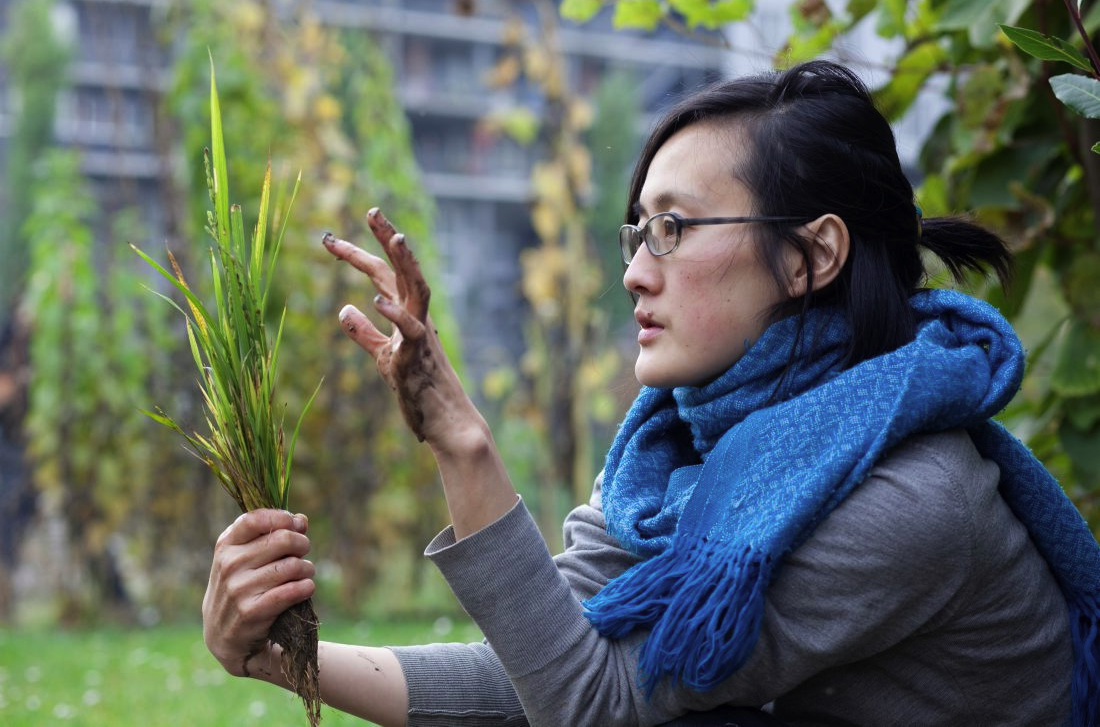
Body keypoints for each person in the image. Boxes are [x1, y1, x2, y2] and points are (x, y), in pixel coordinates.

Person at [201, 61, 1100, 726]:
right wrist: (287, 658)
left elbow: (585, 706)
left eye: (672, 228)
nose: (634, 272)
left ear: (811, 256)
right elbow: (540, 668)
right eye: (636, 231)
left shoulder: (911, 498)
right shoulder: (679, 455)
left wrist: (462, 444)